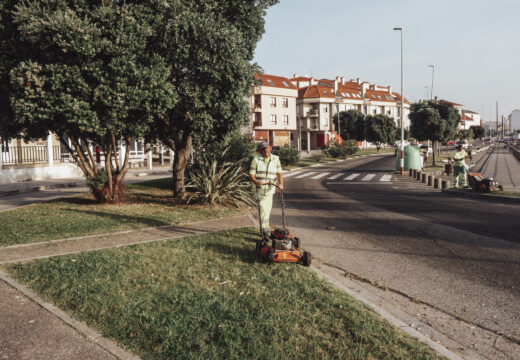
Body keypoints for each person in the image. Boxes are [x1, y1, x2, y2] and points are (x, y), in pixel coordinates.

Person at [249, 142, 283, 241]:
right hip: (259, 189)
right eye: (263, 149)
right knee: (263, 208)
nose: (265, 151)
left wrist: (281, 184)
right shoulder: (255, 159)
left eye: (267, 148)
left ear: (270, 149)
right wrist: (256, 182)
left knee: (267, 210)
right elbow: (251, 175)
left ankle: (265, 229)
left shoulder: (275, 159)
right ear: (259, 151)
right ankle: (265, 230)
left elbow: (280, 173)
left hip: (270, 189)